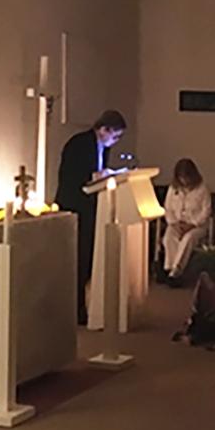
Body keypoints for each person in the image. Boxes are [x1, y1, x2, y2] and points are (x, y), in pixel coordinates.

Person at [55, 110, 127, 325]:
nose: (115, 142)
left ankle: (84, 306)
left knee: (87, 259)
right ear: (103, 129)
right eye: (115, 136)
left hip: (92, 208)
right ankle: (75, 309)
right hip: (74, 205)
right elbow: (71, 175)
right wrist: (95, 176)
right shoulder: (79, 143)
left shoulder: (102, 148)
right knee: (78, 258)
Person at [161, 159, 212, 287]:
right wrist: (174, 223)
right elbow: (168, 208)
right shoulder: (173, 189)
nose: (184, 181)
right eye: (181, 177)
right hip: (177, 224)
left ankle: (177, 271)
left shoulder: (202, 189)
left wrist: (193, 224)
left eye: (186, 177)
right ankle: (169, 268)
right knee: (168, 238)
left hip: (196, 226)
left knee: (187, 240)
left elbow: (206, 210)